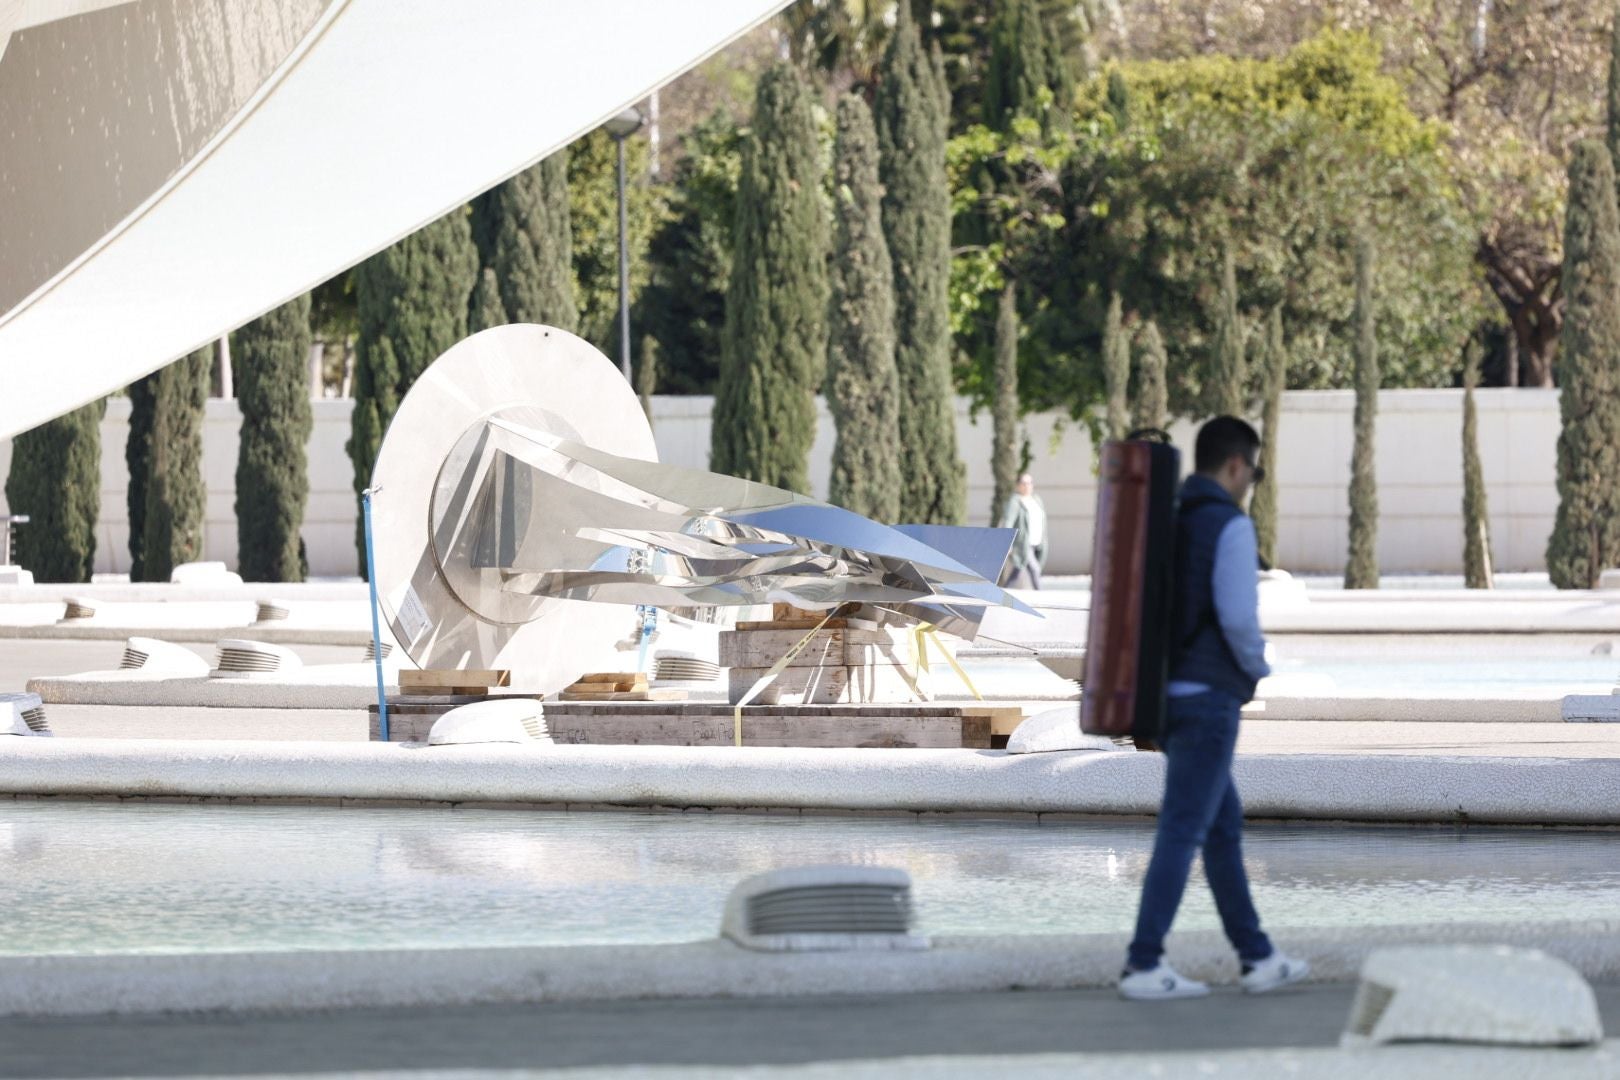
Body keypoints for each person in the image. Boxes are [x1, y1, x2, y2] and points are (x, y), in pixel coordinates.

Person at [1118, 416, 1308, 1001]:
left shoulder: (1169, 520)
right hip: (1209, 701)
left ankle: (1258, 956)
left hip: (1169, 698)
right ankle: (1143, 964)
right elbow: (1236, 618)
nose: (1252, 480)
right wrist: (1257, 669)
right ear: (1236, 466)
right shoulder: (1228, 525)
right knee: (1183, 831)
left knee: (1222, 828)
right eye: (1253, 470)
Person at [998, 473, 1046, 589]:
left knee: (1018, 571)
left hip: (1037, 542)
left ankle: (1004, 591)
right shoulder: (1015, 502)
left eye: (1029, 483)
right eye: (1023, 483)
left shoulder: (1036, 500)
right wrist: (1007, 542)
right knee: (1034, 569)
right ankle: (1041, 594)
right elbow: (1008, 522)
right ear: (1018, 485)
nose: (1027, 486)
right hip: (1023, 543)